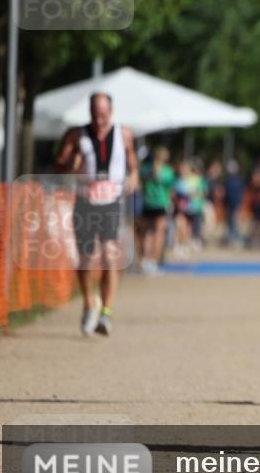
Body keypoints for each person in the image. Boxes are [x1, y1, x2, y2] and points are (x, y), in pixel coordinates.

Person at [55, 92, 139, 336]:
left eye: (103, 115)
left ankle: (106, 314)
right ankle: (89, 303)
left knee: (110, 256)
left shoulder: (124, 134)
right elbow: (58, 164)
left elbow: (133, 164)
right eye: (95, 114)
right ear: (89, 113)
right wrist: (70, 164)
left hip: (111, 203)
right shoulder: (76, 135)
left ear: (111, 112)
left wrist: (134, 177)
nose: (99, 120)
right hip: (84, 202)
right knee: (86, 259)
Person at [138, 146, 175, 275]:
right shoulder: (168, 172)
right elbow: (170, 190)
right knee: (159, 233)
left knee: (147, 233)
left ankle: (145, 260)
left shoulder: (144, 169)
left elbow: (141, 185)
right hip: (161, 204)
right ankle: (153, 262)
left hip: (147, 203)